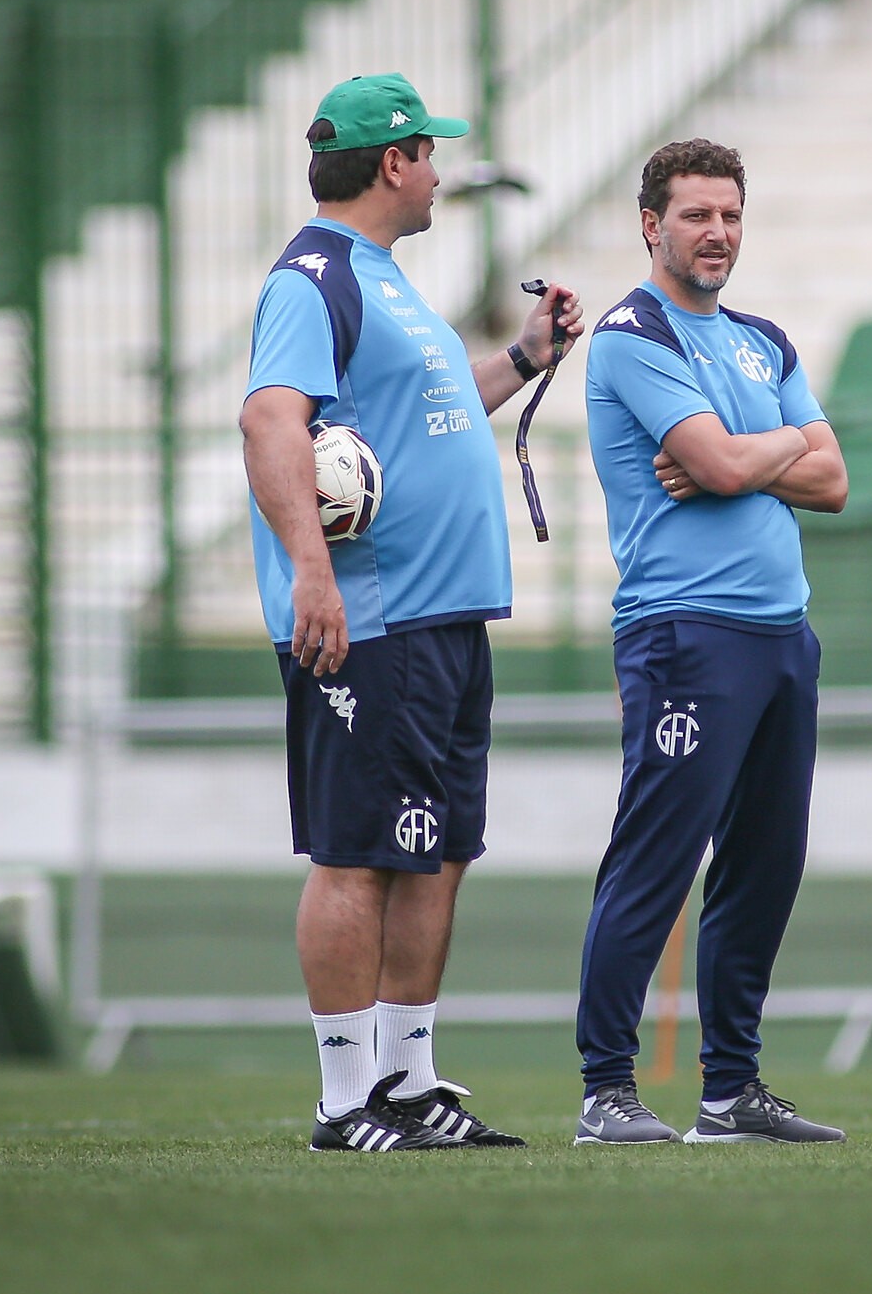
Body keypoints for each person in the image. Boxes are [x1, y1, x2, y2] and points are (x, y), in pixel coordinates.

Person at [240, 72, 584, 1152]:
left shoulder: (384, 279)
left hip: (443, 616)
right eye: (428, 150)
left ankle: (408, 1082)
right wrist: (311, 573)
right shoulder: (312, 277)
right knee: (354, 853)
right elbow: (269, 423)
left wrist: (525, 358)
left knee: (433, 848)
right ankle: (345, 1103)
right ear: (394, 163)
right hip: (370, 618)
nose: (438, 167)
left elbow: (428, 415)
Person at [572, 139, 849, 1146]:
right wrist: (777, 451)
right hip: (684, 635)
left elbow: (831, 477)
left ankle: (730, 1091)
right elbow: (741, 465)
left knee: (765, 863)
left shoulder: (760, 339)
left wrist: (755, 456)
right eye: (695, 214)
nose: (716, 232)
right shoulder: (629, 334)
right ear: (651, 225)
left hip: (781, 635)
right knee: (655, 857)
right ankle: (606, 1085)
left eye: (729, 213)